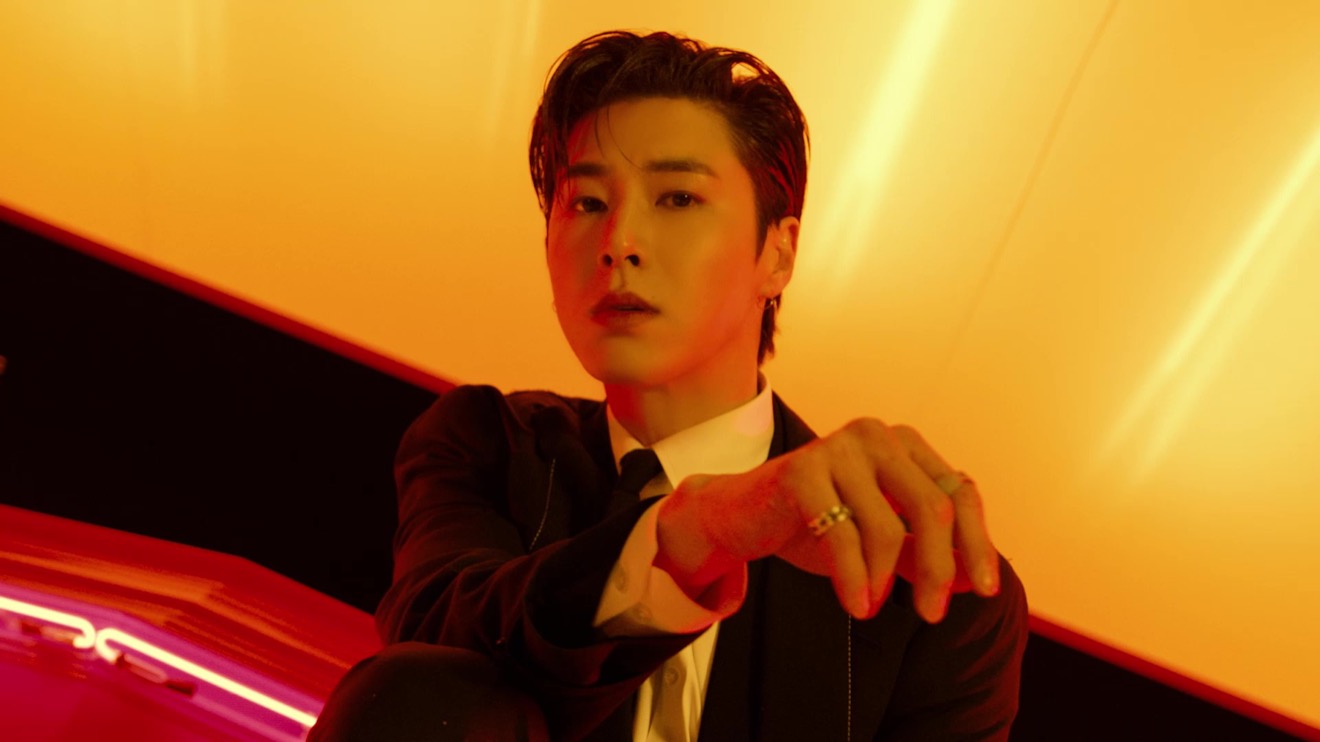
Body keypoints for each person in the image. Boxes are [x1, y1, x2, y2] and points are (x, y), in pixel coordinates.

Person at [311, 30, 1027, 742]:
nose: (619, 242)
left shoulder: (930, 589)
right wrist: (687, 533)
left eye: (678, 198)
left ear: (778, 254)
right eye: (587, 203)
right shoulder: (486, 445)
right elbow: (431, 666)